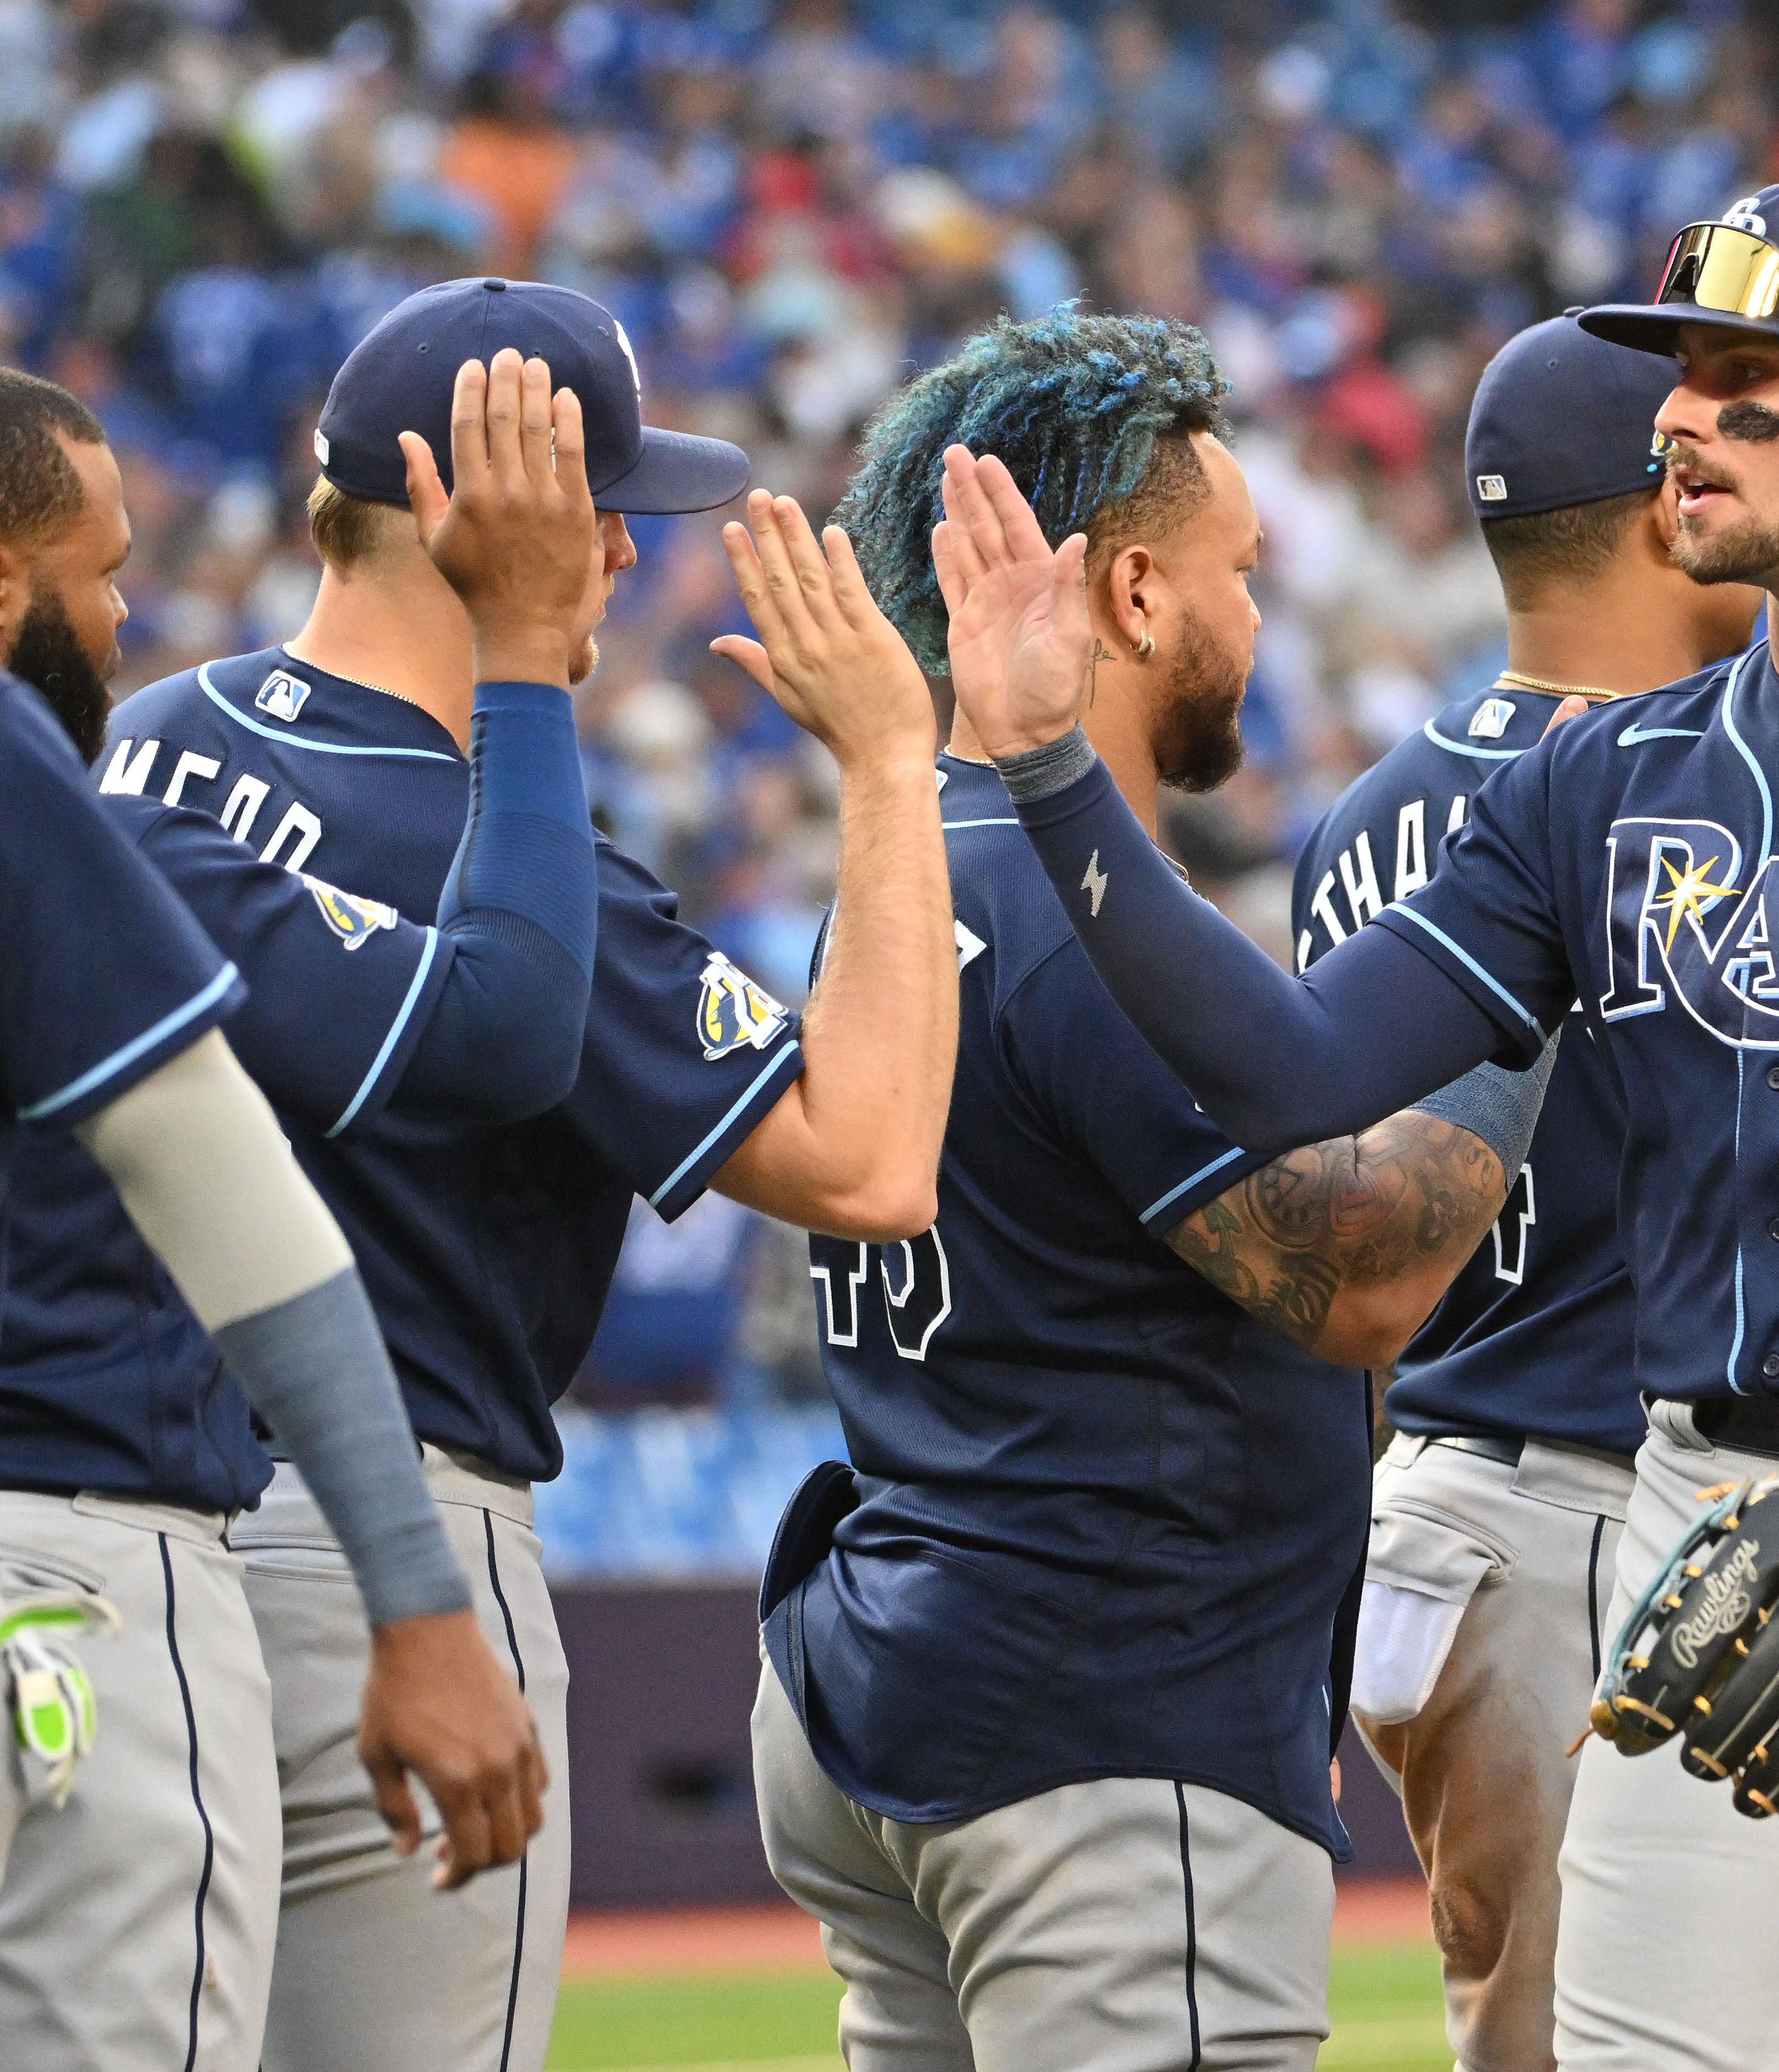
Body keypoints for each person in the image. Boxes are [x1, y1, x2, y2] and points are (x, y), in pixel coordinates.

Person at [942, 183, 1779, 2070]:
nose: (1681, 416)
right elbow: (1286, 1067)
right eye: (1678, 378)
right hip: (1720, 1505)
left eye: (1748, 380)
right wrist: (1046, 774)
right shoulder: (1606, 774)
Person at [98, 275, 959, 2072]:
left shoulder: (130, 745)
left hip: (107, 1530)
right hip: (387, 1556)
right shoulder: (520, 862)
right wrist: (890, 767)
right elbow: (875, 1158)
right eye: (605, 513)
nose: (630, 560)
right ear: (467, 511)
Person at [749, 310, 1518, 2070]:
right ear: (1137, 593)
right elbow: (1356, 1275)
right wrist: (1520, 986)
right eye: (1237, 569)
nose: (1258, 616)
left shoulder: (900, 860)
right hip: (1097, 1694)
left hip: (905, 1643)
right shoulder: (1063, 902)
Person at [0, 357, 569, 2065]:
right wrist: (416, 1594)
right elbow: (221, 1173)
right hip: (71, 1567)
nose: (123, 617)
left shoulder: (138, 763)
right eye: (99, 572)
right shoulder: (23, 764)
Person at [1290, 316, 1762, 2072]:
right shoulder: (1678, 791)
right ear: (1662, 508)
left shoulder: (1367, 810)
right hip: (1590, 1506)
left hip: (1435, 1497)